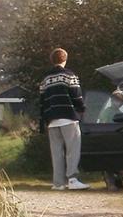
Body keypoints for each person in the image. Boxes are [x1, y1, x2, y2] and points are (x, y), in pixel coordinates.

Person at [38, 47, 89, 190]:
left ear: (52, 60)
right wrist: (82, 109)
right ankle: (72, 179)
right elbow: (76, 95)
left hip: (52, 120)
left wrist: (43, 120)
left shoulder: (45, 79)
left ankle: (58, 183)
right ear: (65, 59)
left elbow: (42, 101)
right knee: (72, 149)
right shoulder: (69, 75)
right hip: (68, 117)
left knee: (56, 153)